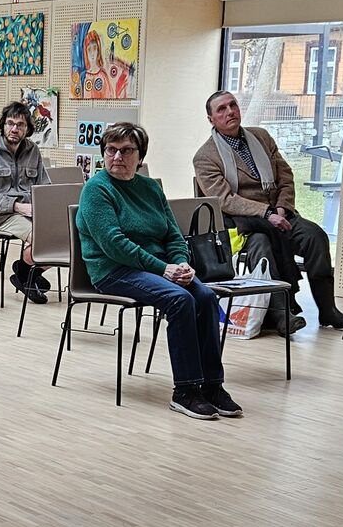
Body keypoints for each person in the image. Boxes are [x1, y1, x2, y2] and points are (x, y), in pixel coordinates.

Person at [76, 121, 241, 420]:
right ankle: (185, 391)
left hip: (158, 266)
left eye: (127, 150)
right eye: (111, 150)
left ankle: (212, 385)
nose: (117, 157)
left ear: (140, 156)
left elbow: (172, 235)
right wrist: (164, 269)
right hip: (114, 270)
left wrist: (181, 262)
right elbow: (115, 245)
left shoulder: (150, 188)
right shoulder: (96, 190)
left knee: (205, 297)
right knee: (180, 300)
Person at [193, 91, 343, 331]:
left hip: (280, 212)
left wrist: (281, 207)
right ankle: (281, 314)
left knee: (315, 236)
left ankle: (327, 310)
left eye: (233, 105)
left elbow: (285, 176)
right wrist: (267, 213)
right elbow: (225, 200)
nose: (230, 112)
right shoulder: (205, 157)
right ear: (211, 119)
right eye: (222, 109)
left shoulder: (261, 137)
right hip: (243, 225)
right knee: (262, 243)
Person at [0, 100, 50, 303]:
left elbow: (45, 187)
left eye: (20, 125)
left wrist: (45, 209)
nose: (14, 129)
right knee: (43, 239)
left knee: (66, 236)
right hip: (3, 215)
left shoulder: (33, 150)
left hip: (32, 212)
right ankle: (28, 274)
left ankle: (25, 272)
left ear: (28, 129)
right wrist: (18, 207)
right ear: (3, 124)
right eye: (10, 123)